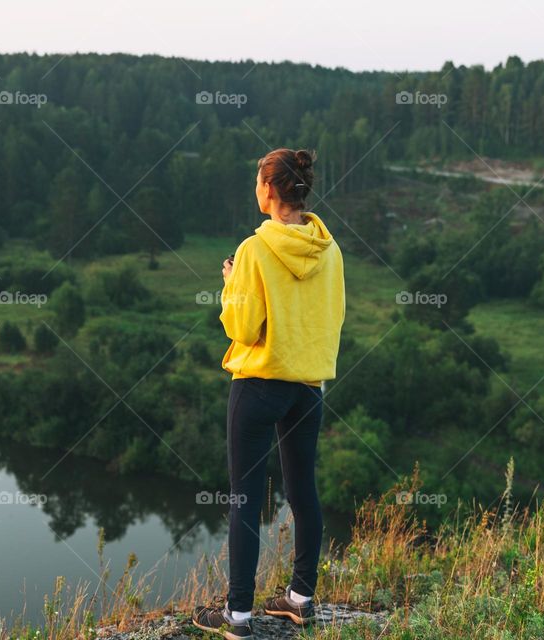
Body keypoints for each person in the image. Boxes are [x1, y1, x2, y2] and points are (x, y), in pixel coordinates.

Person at [192, 148, 346, 639]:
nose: (255, 187)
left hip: (259, 385)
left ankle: (237, 615)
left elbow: (242, 324)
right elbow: (333, 318)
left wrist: (229, 283)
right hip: (307, 387)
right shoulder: (330, 249)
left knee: (245, 497)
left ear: (272, 190)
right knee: (303, 490)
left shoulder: (256, 251)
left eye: (258, 180)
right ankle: (300, 599)